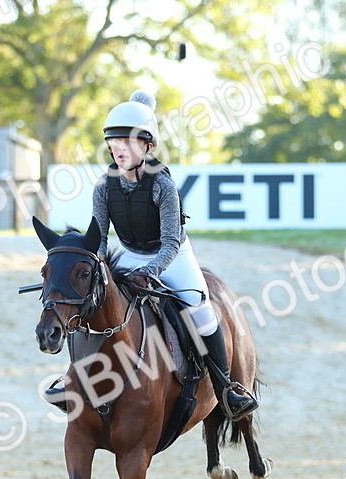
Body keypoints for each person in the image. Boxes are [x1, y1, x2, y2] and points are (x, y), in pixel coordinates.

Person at [46, 90, 258, 421]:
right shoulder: (104, 187)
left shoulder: (162, 185)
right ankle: (73, 379)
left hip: (172, 256)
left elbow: (171, 241)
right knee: (91, 301)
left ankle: (226, 387)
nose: (118, 149)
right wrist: (98, 270)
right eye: (113, 142)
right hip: (129, 253)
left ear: (147, 146)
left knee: (200, 310)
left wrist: (153, 271)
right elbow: (99, 239)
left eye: (127, 142)